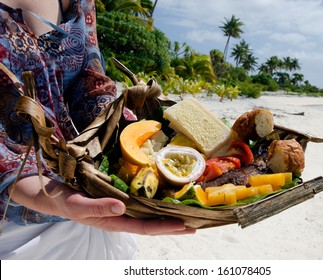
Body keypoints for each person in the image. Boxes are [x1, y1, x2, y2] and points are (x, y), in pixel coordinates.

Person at [0, 0, 195, 260]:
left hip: (91, 197)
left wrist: (132, 134)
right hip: (15, 223)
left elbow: (90, 85)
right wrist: (27, 183)